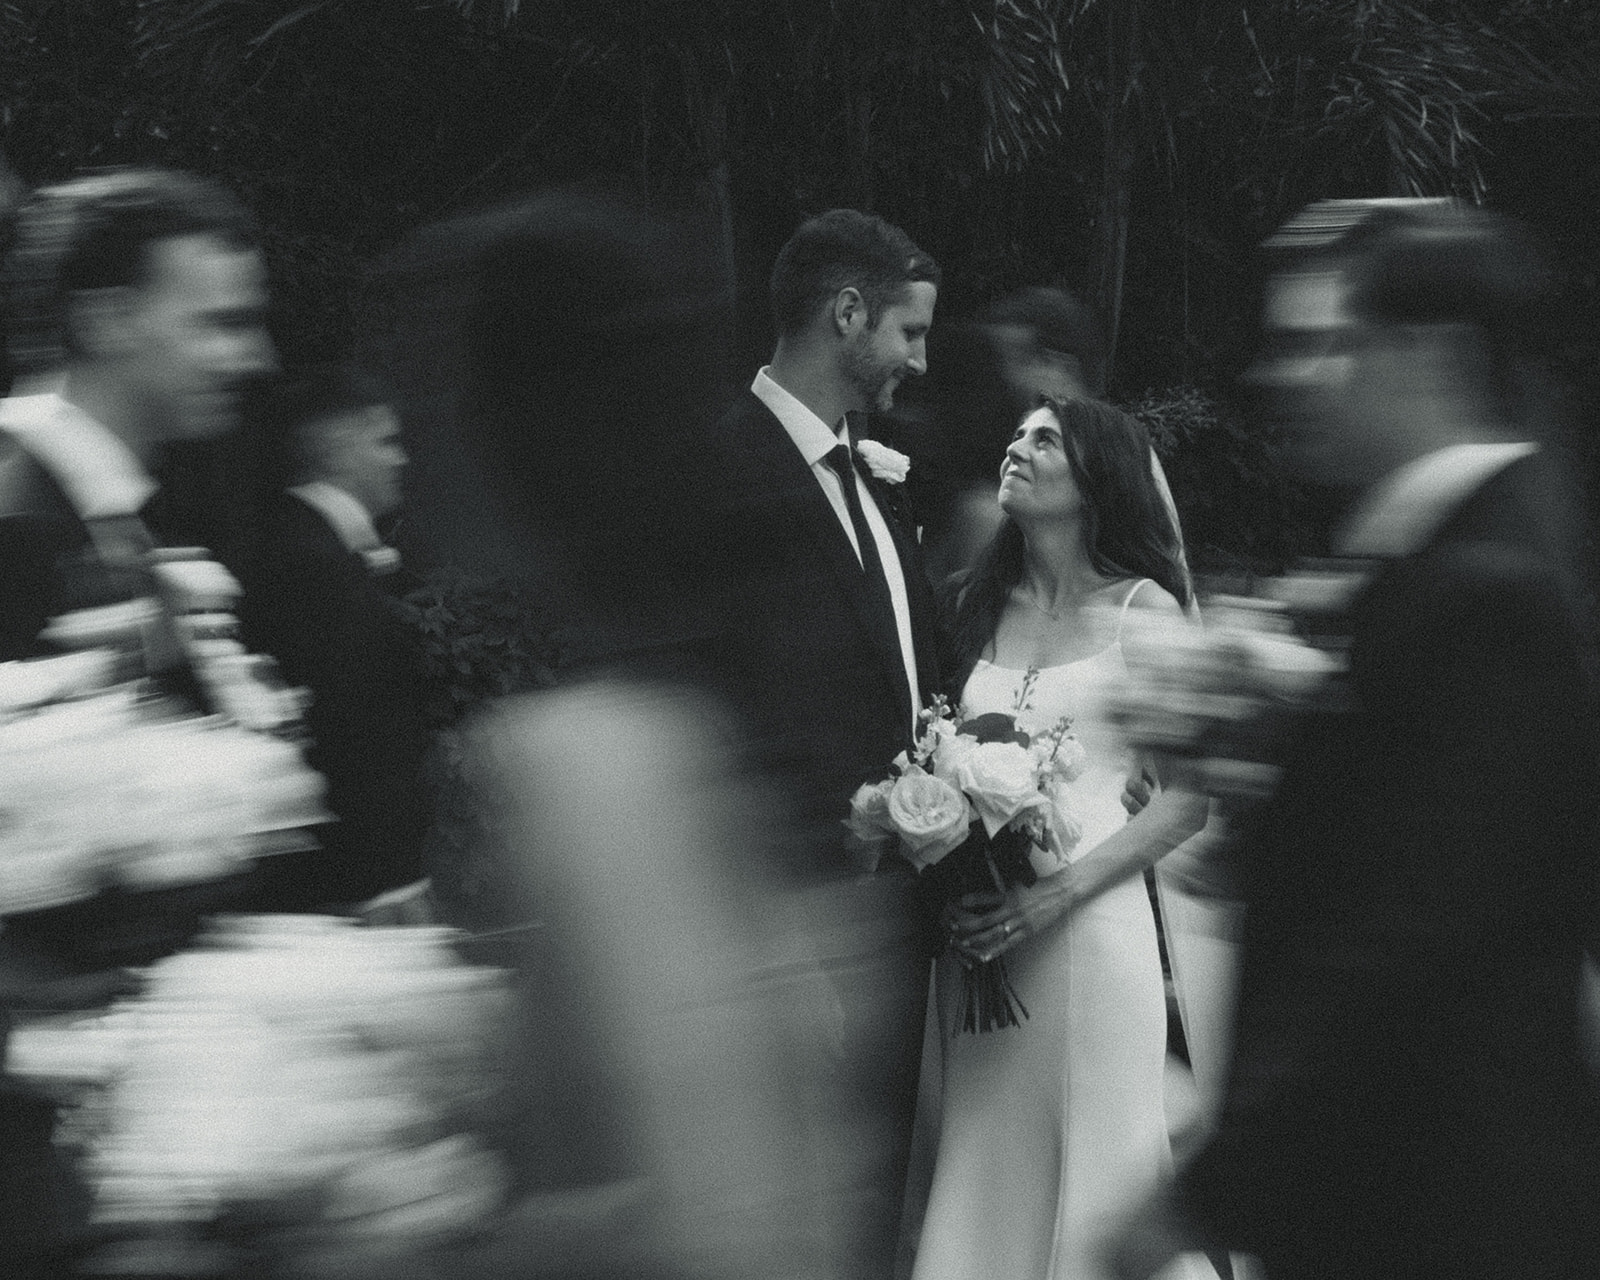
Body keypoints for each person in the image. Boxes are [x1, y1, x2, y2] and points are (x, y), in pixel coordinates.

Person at [337, 187, 855, 1280]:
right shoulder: (727, 690)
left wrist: (395, 1230)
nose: (409, 438)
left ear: (505, 428)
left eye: (424, 391)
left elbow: (725, 1217)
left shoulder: (597, 755)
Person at [1110, 199, 1600, 1280]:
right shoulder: (1430, 560)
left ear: (1429, 354)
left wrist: (1202, 1188)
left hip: (1442, 1210)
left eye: (1321, 345)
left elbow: (1404, 941)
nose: (1282, 378)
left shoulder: (1488, 592)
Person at [0, 166, 276, 1279]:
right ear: (108, 318)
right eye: (216, 321)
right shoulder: (20, 517)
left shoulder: (117, 520)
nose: (248, 357)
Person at [911, 394, 1209, 1280]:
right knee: (985, 1173)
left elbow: (1187, 797)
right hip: (986, 958)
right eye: (1016, 433)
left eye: (1047, 440)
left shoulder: (1142, 613)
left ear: (1096, 479)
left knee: (1104, 1177)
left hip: (1093, 940)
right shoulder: (970, 608)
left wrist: (1057, 893)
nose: (1018, 447)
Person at [711, 207, 946, 1278]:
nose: (919, 359)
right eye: (909, 331)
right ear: (846, 314)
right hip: (782, 939)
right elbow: (711, 714)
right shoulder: (715, 473)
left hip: (896, 930)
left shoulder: (881, 480)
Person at [236, 365, 433, 914]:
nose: (401, 459)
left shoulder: (313, 546)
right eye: (385, 442)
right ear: (333, 447)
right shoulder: (306, 562)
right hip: (356, 876)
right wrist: (390, 879)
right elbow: (351, 728)